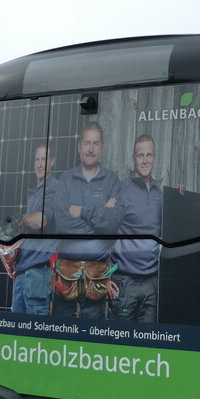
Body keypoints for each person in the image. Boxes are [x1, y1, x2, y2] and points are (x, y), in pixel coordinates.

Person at [50, 122, 124, 319]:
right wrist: (101, 212)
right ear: (79, 146)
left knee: (95, 338)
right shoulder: (65, 179)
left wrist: (81, 211)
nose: (90, 149)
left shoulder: (112, 180)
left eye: (95, 144)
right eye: (86, 143)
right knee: (59, 336)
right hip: (65, 275)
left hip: (97, 276)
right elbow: (62, 223)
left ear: (102, 148)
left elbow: (114, 223)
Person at [112, 134, 182, 323]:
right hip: (125, 282)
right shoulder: (120, 190)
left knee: (149, 343)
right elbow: (102, 231)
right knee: (120, 342)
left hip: (152, 282)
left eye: (148, 155)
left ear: (155, 157)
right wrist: (105, 275)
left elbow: (175, 230)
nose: (144, 160)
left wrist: (179, 198)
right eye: (140, 155)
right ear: (133, 159)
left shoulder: (161, 194)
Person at [10, 144, 58, 316]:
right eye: (37, 159)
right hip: (23, 270)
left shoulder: (54, 188)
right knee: (17, 330)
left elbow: (41, 220)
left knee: (35, 330)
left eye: (44, 159)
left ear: (52, 162)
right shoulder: (35, 192)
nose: (39, 164)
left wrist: (22, 219)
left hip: (38, 271)